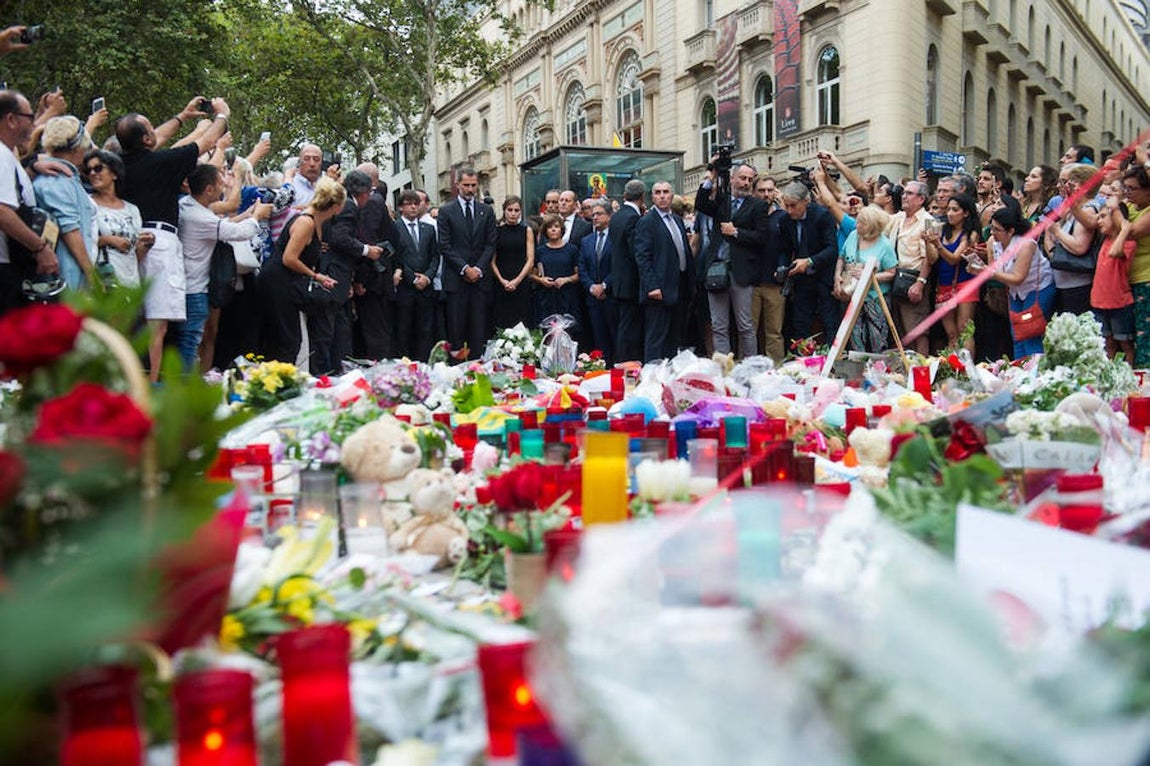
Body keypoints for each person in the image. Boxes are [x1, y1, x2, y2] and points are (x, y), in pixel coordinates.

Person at [117, 96, 232, 378]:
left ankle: (132, 377)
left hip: (128, 240)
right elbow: (204, 144)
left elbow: (154, 137)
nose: (157, 133)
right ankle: (153, 383)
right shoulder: (163, 162)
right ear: (146, 139)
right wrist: (222, 116)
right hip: (159, 244)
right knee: (158, 323)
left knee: (134, 320)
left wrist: (182, 116)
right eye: (150, 130)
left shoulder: (119, 164)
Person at [176, 163, 271, 372]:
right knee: (191, 342)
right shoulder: (199, 216)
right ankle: (184, 389)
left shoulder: (188, 206)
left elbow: (222, 225)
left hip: (186, 284)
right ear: (209, 189)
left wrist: (246, 215)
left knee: (191, 341)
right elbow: (238, 233)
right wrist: (257, 217)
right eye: (220, 183)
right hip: (195, 288)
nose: (223, 187)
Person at [257, 177, 344, 364]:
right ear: (335, 206)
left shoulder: (315, 222)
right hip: (277, 281)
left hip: (286, 281)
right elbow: (289, 258)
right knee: (289, 341)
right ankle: (279, 385)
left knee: (289, 339)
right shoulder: (307, 222)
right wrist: (316, 276)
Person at [694, 161, 767, 358]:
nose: (746, 183)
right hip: (717, 269)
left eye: (750, 180)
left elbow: (762, 237)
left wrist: (736, 232)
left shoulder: (758, 205)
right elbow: (700, 204)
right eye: (742, 178)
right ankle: (722, 369)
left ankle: (750, 366)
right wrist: (711, 176)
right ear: (732, 178)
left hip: (742, 272)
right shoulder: (722, 200)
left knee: (745, 325)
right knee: (719, 325)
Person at [0, 90, 59, 312]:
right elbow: (2, 211)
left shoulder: (8, 156)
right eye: (30, 117)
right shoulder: (1, 154)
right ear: (11, 120)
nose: (34, 124)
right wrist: (40, 248)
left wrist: (32, 169)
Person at [972, 206, 1053, 358]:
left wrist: (988, 271)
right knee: (1016, 333)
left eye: (997, 230)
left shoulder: (1026, 244)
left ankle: (1033, 373)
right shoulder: (993, 242)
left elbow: (1018, 277)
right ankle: (1019, 371)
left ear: (1011, 231)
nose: (992, 232)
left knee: (1030, 332)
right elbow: (995, 270)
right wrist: (978, 268)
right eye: (992, 228)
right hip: (1015, 292)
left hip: (1036, 289)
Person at [439, 166, 497, 361]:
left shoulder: (486, 211)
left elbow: (490, 244)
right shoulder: (446, 211)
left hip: (480, 281)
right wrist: (465, 268)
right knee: (456, 330)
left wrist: (478, 269)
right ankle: (456, 372)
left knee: (478, 330)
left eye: (473, 185)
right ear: (457, 185)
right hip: (457, 280)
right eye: (466, 185)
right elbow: (445, 246)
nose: (470, 189)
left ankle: (477, 369)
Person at [33, 115, 97, 290]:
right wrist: (91, 275)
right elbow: (70, 230)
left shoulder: (68, 178)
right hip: (66, 275)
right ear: (77, 147)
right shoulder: (56, 180)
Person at [778, 182, 841, 347]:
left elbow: (832, 248)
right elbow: (784, 249)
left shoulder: (822, 216)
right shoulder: (785, 220)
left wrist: (810, 261)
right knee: (801, 323)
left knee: (830, 322)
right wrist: (782, 267)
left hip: (823, 275)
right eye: (787, 206)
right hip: (801, 279)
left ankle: (830, 360)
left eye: (793, 206)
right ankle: (803, 360)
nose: (790, 210)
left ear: (806, 201)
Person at [633, 181, 690, 361]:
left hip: (679, 285)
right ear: (652, 197)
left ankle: (670, 376)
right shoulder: (646, 222)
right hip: (658, 288)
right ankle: (652, 376)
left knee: (674, 336)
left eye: (666, 192)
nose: (662, 195)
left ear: (672, 196)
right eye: (658, 192)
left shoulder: (678, 220)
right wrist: (652, 286)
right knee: (656, 336)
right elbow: (642, 257)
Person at [834, 205, 897, 353]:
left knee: (877, 339)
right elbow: (841, 258)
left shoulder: (884, 245)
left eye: (862, 222)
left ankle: (877, 370)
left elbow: (891, 272)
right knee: (855, 336)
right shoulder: (853, 236)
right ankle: (858, 369)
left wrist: (869, 276)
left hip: (874, 298)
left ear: (872, 226)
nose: (857, 224)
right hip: (853, 295)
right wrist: (837, 275)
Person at [86, 148, 152, 289]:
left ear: (114, 173)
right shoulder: (87, 204)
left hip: (131, 281)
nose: (92, 173)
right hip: (102, 282)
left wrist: (146, 244)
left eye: (98, 168)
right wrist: (106, 240)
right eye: (89, 170)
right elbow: (78, 240)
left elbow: (135, 253)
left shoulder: (132, 209)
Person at [884, 180, 936, 354]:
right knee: (898, 332)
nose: (904, 196)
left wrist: (920, 283)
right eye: (903, 193)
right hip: (895, 279)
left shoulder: (929, 221)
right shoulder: (898, 218)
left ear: (921, 199)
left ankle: (921, 373)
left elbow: (929, 258)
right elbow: (875, 222)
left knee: (918, 331)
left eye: (909, 193)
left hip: (914, 279)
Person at [353, 162, 397, 361]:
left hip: (373, 278)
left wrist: (361, 278)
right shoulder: (378, 201)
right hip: (379, 276)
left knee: (375, 332)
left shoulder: (371, 201)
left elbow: (368, 242)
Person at [926, 193, 981, 350]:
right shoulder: (942, 230)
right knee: (951, 333)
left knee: (965, 331)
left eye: (955, 210)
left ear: (966, 212)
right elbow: (932, 259)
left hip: (965, 282)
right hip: (944, 284)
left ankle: (967, 370)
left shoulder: (971, 234)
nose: (950, 213)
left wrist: (938, 244)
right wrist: (927, 242)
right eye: (948, 209)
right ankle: (953, 369)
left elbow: (954, 259)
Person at [392, 189, 440, 361]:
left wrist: (427, 277)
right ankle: (405, 367)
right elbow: (397, 257)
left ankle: (425, 364)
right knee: (404, 330)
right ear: (400, 208)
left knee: (425, 330)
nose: (413, 207)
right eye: (408, 204)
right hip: (406, 288)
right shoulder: (394, 228)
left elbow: (435, 256)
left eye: (416, 203)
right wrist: (413, 278)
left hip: (426, 288)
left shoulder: (428, 229)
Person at [1091, 194, 1136, 361]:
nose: (1098, 221)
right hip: (1099, 301)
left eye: (1103, 217)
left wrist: (1124, 229)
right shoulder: (1105, 240)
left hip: (1119, 302)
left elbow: (1115, 252)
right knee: (1108, 343)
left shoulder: (1128, 242)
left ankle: (1129, 377)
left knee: (1125, 344)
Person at [608, 179, 646, 361]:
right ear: (643, 196)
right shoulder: (633, 217)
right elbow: (635, 251)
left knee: (624, 324)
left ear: (625, 195)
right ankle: (627, 362)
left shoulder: (616, 216)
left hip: (619, 280)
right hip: (631, 281)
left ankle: (623, 360)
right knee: (629, 326)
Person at [491, 195, 535, 330]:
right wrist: (502, 280)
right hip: (501, 283)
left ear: (521, 211)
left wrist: (517, 281)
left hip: (521, 282)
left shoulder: (526, 230)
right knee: (502, 321)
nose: (513, 214)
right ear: (504, 211)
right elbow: (492, 261)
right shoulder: (496, 231)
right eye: (510, 210)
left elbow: (530, 260)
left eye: (516, 210)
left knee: (522, 320)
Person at [531, 213, 581, 333]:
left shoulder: (572, 249)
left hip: (567, 297)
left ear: (562, 229)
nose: (553, 229)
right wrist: (541, 280)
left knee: (568, 333)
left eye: (556, 226)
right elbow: (532, 274)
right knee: (547, 333)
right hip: (546, 297)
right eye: (550, 227)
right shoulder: (540, 251)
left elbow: (579, 274)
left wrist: (566, 279)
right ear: (545, 231)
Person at [578, 199, 613, 360]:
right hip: (592, 298)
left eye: (599, 214)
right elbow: (582, 268)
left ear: (609, 216)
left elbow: (618, 266)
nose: (595, 218)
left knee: (613, 336)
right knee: (598, 339)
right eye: (593, 215)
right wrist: (592, 287)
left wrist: (605, 285)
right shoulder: (587, 241)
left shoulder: (615, 238)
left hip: (611, 296)